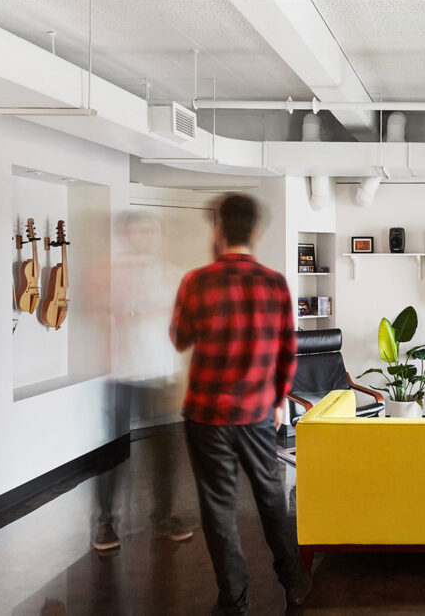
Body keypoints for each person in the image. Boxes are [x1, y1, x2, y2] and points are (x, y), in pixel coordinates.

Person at [170, 193, 310, 614]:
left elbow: (180, 338)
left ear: (218, 230)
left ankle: (234, 601)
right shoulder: (274, 283)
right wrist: (279, 398)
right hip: (256, 412)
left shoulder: (197, 281)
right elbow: (288, 350)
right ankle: (295, 584)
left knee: (219, 509)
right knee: (271, 498)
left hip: (206, 414)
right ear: (254, 232)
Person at [95, 211, 192, 552]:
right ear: (125, 236)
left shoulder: (172, 275)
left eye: (150, 232)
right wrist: (135, 311)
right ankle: (106, 522)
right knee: (114, 451)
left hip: (161, 374)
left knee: (165, 452)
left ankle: (163, 516)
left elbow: (181, 321)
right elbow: (102, 309)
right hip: (122, 374)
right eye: (137, 233)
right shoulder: (112, 274)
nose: (145, 238)